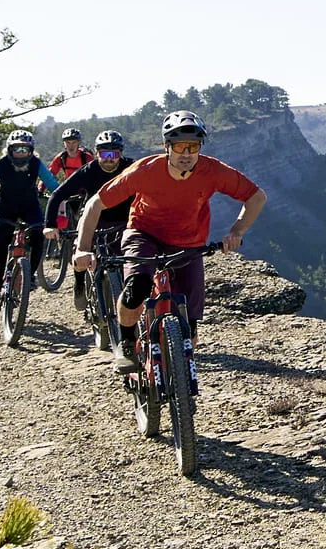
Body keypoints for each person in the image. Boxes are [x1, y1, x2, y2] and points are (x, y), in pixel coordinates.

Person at [74, 111, 266, 367]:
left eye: (193, 146)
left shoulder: (213, 171)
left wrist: (236, 231)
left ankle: (178, 380)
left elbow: (256, 197)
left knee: (191, 330)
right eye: (178, 146)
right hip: (144, 234)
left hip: (188, 242)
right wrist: (82, 249)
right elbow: (95, 204)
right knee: (137, 288)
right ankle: (127, 345)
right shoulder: (145, 170)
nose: (186, 154)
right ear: (166, 146)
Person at [42, 129, 136, 313]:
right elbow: (58, 195)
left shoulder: (130, 168)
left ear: (121, 154)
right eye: (104, 154)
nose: (109, 159)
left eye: (114, 154)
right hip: (93, 220)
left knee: (128, 258)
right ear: (96, 154)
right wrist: (50, 225)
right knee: (81, 253)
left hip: (123, 220)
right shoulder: (88, 171)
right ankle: (79, 286)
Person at [0, 128, 59, 309]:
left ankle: (30, 277)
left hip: (30, 206)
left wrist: (61, 209)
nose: (20, 155)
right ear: (9, 150)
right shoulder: (1, 163)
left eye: (25, 150)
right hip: (5, 208)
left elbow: (54, 186)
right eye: (16, 150)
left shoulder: (36, 164)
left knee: (38, 236)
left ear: (31, 151)